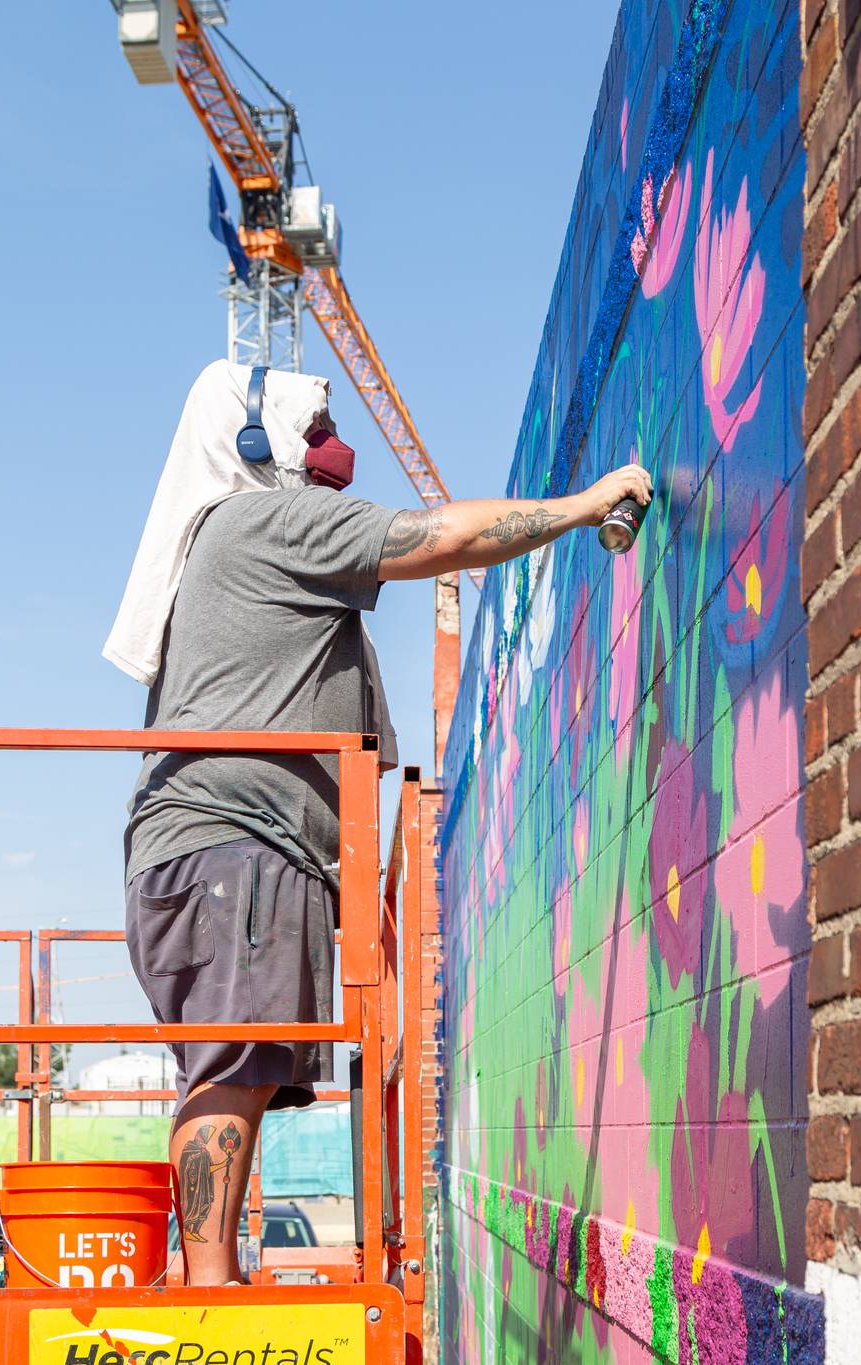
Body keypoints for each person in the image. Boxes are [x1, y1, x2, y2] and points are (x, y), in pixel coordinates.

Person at [102, 359, 651, 1286]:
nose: (330, 449)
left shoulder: (225, 540)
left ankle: (211, 1274)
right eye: (312, 430)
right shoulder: (264, 518)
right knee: (235, 1062)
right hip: (236, 847)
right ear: (256, 442)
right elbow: (438, 536)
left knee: (242, 1062)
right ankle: (207, 1288)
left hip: (220, 850)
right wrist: (582, 504)